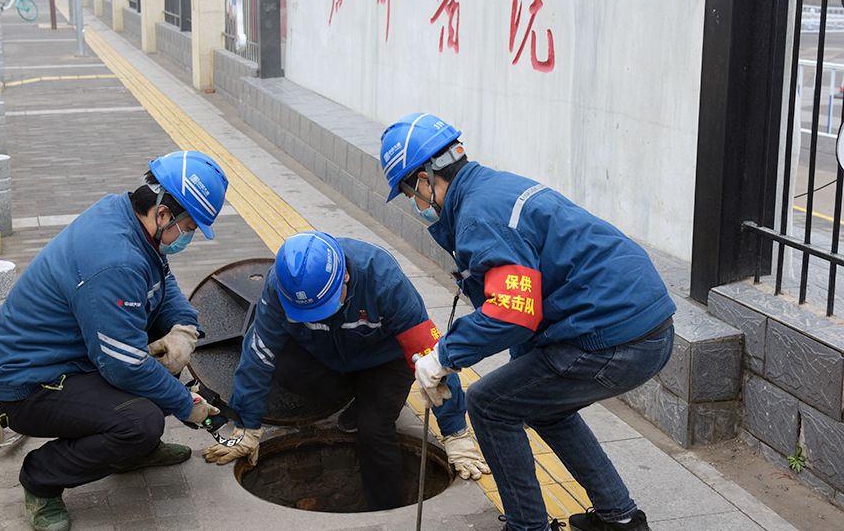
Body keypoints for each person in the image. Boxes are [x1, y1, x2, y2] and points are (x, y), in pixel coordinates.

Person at [379, 114, 676, 531]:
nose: (417, 204)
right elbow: (527, 310)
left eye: (412, 192)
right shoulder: (493, 188)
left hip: (616, 336)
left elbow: (511, 312)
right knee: (541, 405)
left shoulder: (478, 217)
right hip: (642, 322)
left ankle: (527, 527)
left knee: (489, 404)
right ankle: (621, 519)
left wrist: (443, 357)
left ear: (425, 178)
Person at [0, 150, 229, 531]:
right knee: (140, 420)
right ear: (163, 214)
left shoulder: (127, 215)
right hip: (27, 384)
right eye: (190, 228)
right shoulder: (115, 260)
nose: (188, 237)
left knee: (155, 363)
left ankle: (132, 453)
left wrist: (182, 327)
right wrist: (184, 404)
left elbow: (162, 277)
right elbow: (124, 365)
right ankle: (41, 479)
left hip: (72, 356)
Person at [201, 231, 490, 511]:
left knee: (374, 429)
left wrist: (454, 431)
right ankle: (358, 399)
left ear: (346, 277)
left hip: (384, 362)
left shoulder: (384, 281)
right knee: (283, 366)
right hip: (326, 357)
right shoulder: (279, 286)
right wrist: (247, 424)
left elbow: (428, 353)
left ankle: (386, 511)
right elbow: (259, 352)